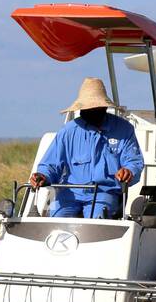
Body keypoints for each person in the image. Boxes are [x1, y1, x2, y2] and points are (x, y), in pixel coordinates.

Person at [28, 77, 143, 218]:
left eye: (93, 108)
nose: (87, 111)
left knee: (97, 222)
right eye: (85, 108)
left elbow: (134, 162)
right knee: (56, 222)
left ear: (104, 107)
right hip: (69, 193)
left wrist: (128, 171)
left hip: (104, 193)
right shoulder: (68, 131)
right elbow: (51, 165)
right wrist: (42, 176)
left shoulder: (124, 129)